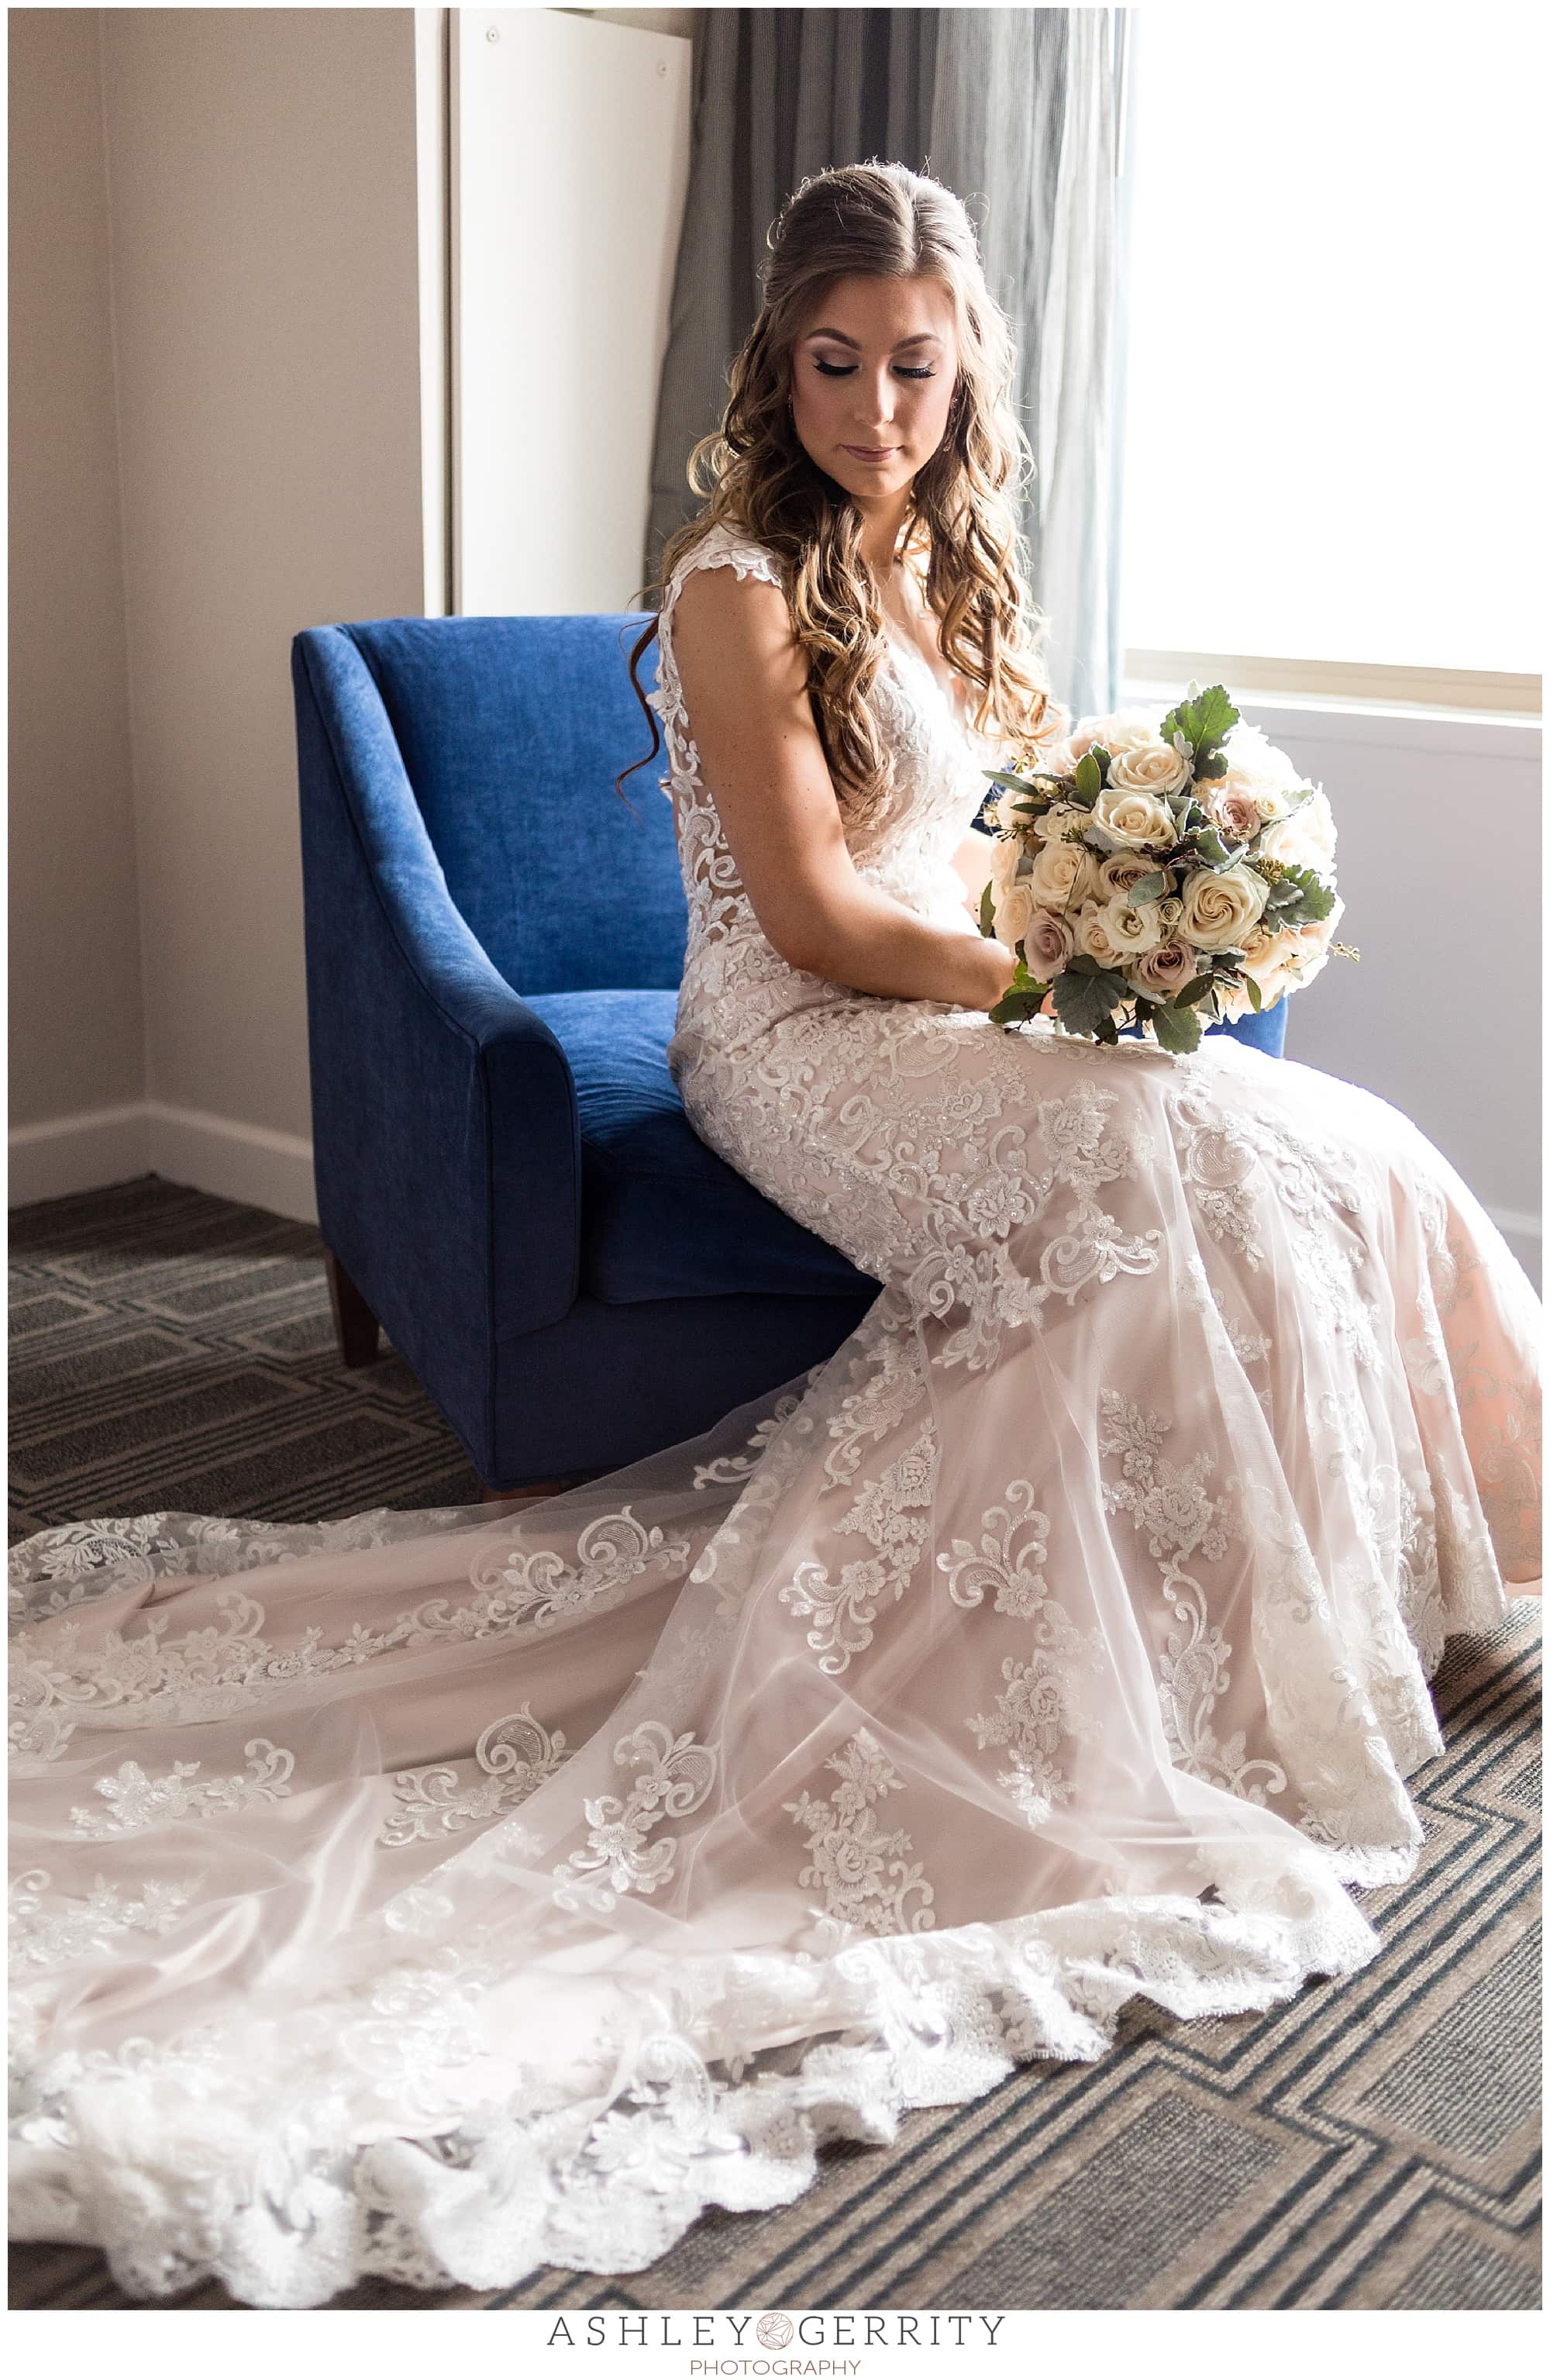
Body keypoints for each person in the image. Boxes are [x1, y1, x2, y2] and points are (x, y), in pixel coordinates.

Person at [9, 163, 1541, 2312]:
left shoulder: (965, 562)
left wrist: (1126, 935)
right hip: (808, 1042)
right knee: (1170, 1168)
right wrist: (1080, 997)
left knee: (1330, 1134)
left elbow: (999, 861)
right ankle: (1136, 1678)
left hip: (960, 1003)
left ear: (967, 365)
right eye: (838, 364)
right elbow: (820, 920)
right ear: (782, 358)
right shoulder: (741, 578)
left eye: (917, 368)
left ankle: (1400, 1571)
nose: (877, 411)